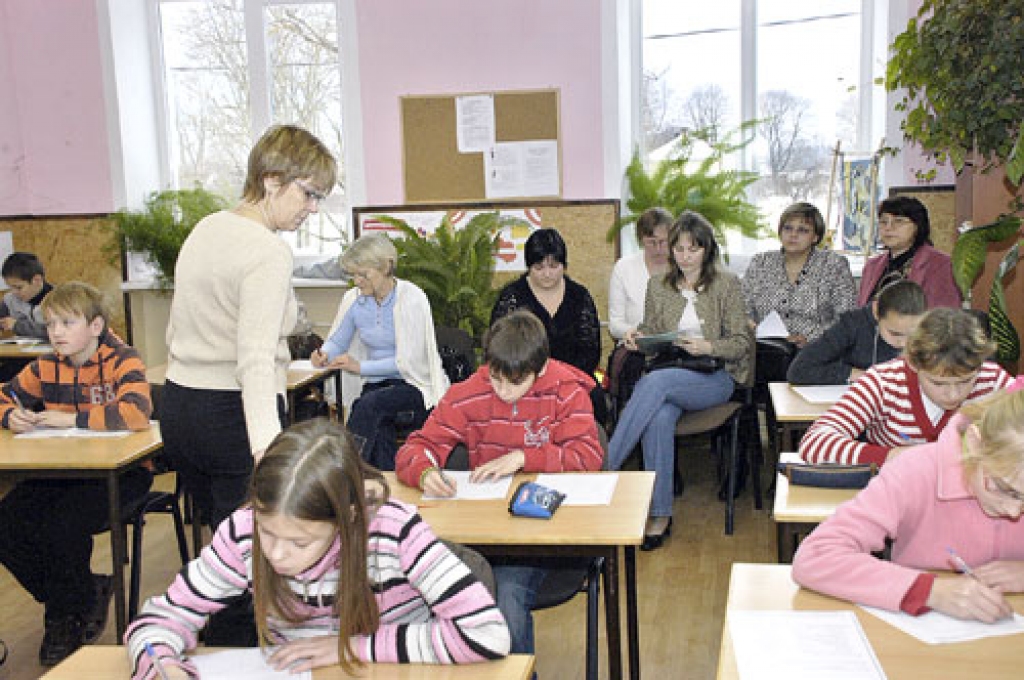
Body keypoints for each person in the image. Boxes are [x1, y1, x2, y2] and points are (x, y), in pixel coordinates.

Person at [125, 418, 510, 680]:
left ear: (348, 519)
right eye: (267, 532)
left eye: (299, 541)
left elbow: (487, 634)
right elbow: (159, 620)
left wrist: (353, 649)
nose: (275, 554)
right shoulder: (243, 532)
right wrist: (164, 667)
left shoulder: (393, 531)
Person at [395, 310, 602, 657]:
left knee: (506, 595)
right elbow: (416, 447)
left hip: (542, 539)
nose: (503, 391)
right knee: (416, 585)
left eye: (515, 382)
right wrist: (426, 472)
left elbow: (587, 457)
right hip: (480, 534)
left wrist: (525, 457)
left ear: (540, 370)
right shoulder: (469, 393)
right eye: (495, 379)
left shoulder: (566, 391)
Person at [0, 282, 153, 666]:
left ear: (96, 325)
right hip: (63, 470)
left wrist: (74, 419)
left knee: (63, 524)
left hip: (122, 472)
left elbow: (136, 412)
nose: (56, 333)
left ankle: (65, 617)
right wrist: (9, 414)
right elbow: (4, 393)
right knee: (6, 521)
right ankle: (77, 597)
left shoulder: (123, 359)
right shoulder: (45, 364)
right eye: (51, 324)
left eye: (67, 323)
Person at [792, 387, 1024, 622]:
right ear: (975, 443)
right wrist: (928, 591)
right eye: (1005, 489)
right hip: (924, 633)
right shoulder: (915, 471)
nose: (1014, 511)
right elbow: (815, 556)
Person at [607, 211, 752, 551]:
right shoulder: (658, 285)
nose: (685, 256)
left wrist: (708, 345)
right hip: (671, 368)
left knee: (653, 386)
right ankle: (660, 515)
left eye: (693, 249)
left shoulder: (726, 284)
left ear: (707, 250)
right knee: (658, 416)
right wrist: (637, 338)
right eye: (680, 249)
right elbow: (652, 330)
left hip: (715, 375)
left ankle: (602, 468)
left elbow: (741, 343)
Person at [799, 308, 1011, 466]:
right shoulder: (883, 383)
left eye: (966, 381)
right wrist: (891, 456)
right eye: (938, 383)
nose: (953, 395)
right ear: (913, 364)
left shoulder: (992, 380)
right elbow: (814, 442)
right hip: (899, 498)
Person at [312, 233, 448, 471]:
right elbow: (339, 340)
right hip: (377, 388)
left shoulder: (411, 299)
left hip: (413, 386)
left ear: (386, 267)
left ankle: (348, 472)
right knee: (378, 424)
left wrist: (360, 367)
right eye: (353, 274)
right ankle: (385, 484)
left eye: (363, 274)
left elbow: (408, 362)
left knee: (367, 406)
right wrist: (324, 353)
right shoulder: (355, 300)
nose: (357, 281)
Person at [491, 228, 607, 425]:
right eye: (539, 267)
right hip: (524, 379)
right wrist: (531, 379)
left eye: (554, 266)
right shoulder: (512, 297)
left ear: (564, 265)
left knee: (594, 398)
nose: (547, 274)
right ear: (528, 267)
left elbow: (591, 349)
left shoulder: (579, 296)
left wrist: (563, 380)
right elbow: (500, 347)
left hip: (573, 378)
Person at [742, 202, 856, 348]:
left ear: (815, 237)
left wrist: (812, 338)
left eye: (803, 230)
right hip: (766, 350)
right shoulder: (760, 262)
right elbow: (742, 308)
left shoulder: (833, 265)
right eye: (788, 228)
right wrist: (751, 326)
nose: (793, 235)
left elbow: (847, 317)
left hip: (818, 350)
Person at [787, 280, 927, 386]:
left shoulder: (931, 332)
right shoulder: (851, 325)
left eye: (912, 334)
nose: (903, 343)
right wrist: (853, 374)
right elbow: (799, 370)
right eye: (895, 334)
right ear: (876, 311)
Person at [857, 196, 961, 308]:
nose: (888, 228)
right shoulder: (872, 266)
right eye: (883, 222)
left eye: (899, 221)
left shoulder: (941, 264)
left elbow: (945, 316)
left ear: (918, 226)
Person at [608, 207, 673, 340]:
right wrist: (634, 333)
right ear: (641, 240)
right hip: (636, 345)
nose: (658, 249)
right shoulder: (624, 268)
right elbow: (615, 324)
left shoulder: (684, 267)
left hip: (677, 348)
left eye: (663, 242)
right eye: (651, 242)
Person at [0, 251, 52, 340]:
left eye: (19, 287)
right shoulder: (9, 300)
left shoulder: (60, 300)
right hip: (22, 351)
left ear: (37, 280)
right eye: (10, 287)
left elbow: (54, 330)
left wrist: (17, 326)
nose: (14, 292)